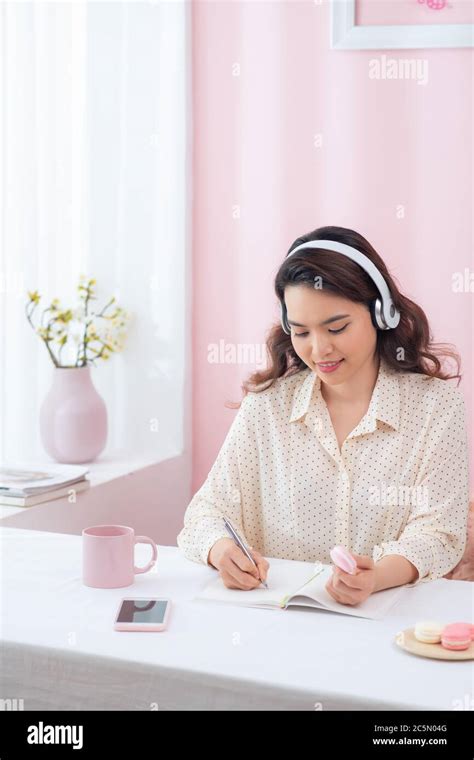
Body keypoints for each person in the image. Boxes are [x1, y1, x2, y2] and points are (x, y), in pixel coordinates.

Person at [177, 225, 470, 606]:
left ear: (380, 313)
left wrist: (376, 576)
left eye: (337, 327)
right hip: (276, 624)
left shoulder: (436, 407)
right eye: (300, 332)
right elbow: (207, 511)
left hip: (386, 623)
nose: (319, 350)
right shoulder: (267, 407)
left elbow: (439, 533)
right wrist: (220, 550)